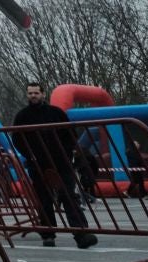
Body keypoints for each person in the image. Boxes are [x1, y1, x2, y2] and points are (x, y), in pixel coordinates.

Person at [12, 82, 99, 248]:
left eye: (36, 93)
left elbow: (69, 135)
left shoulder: (56, 113)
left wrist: (65, 153)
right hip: (37, 163)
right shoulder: (22, 116)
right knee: (44, 199)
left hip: (61, 162)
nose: (33, 96)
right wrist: (30, 155)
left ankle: (81, 233)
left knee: (69, 196)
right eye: (30, 93)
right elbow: (17, 139)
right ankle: (48, 234)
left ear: (43, 94)